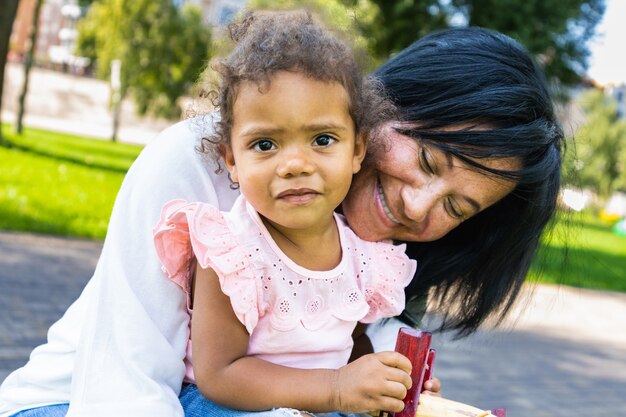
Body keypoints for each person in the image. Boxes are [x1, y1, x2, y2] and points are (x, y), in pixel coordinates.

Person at [0, 10, 564, 417]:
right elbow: (127, 386)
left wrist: (394, 387)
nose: (417, 206)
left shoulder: (378, 257)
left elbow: (351, 342)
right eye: (425, 158)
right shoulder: (199, 167)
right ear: (382, 104)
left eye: (456, 206)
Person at [154, 11, 418, 416]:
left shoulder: (364, 255)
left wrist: (388, 381)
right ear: (232, 160)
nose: (295, 164)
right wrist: (334, 388)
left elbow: (350, 350)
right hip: (228, 407)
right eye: (264, 145)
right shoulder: (233, 253)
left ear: (358, 151)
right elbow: (220, 374)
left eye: (322, 139)